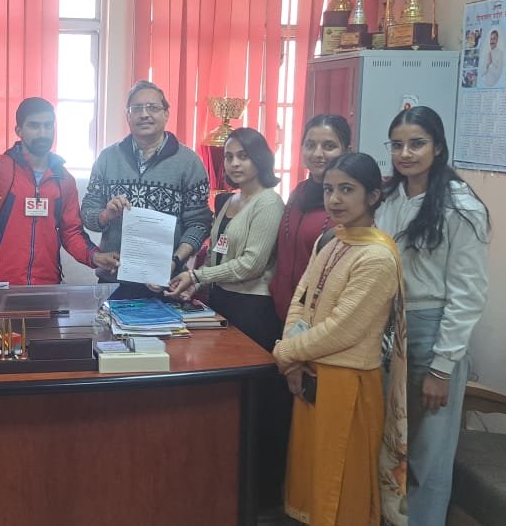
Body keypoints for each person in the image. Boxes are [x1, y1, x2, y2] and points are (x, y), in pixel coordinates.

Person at [274, 152, 408, 526]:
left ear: (373, 196)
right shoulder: (332, 241)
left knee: (341, 487)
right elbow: (301, 300)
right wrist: (292, 360)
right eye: (329, 189)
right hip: (310, 376)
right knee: (310, 482)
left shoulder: (377, 256)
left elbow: (342, 329)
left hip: (347, 384)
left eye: (347, 190)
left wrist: (284, 352)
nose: (334, 199)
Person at [163, 127, 287, 509]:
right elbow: (215, 254)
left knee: (254, 403)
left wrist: (198, 277)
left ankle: (260, 495)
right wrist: (192, 282)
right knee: (227, 401)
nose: (234, 163)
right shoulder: (230, 200)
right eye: (230, 156)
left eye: (243, 156)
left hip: (253, 309)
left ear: (260, 159)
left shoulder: (268, 203)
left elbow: (251, 264)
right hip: (223, 304)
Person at [377, 106, 489, 526]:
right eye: (397, 145)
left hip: (432, 334)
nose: (405, 153)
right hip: (388, 329)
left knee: (428, 455)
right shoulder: (389, 197)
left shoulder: (461, 206)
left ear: (438, 148)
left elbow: (468, 293)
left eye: (417, 144)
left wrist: (442, 368)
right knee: (389, 444)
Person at [0, 97, 119, 285]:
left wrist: (95, 256)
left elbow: (71, 232)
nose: (42, 133)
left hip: (47, 287)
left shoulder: (64, 179)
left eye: (48, 126)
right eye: (34, 126)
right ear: (19, 130)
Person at [80, 80, 212, 299]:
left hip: (167, 283)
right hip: (113, 280)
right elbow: (87, 214)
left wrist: (174, 261)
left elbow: (200, 224)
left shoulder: (189, 162)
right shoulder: (107, 158)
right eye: (137, 108)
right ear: (127, 115)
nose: (144, 114)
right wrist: (106, 214)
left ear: (166, 114)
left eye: (152, 107)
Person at [270, 115, 352, 324]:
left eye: (329, 146)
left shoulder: (349, 202)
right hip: (281, 312)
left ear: (346, 150)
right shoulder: (298, 192)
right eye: (310, 145)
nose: (317, 154)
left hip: (323, 316)